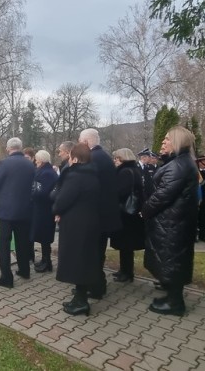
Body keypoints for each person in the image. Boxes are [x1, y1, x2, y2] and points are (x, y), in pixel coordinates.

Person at [143, 126, 199, 316]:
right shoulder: (179, 162)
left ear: (177, 142)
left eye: (167, 139)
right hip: (172, 222)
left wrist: (145, 210)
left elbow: (162, 195)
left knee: (172, 261)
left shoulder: (179, 165)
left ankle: (175, 303)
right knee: (170, 260)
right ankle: (171, 297)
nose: (163, 142)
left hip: (173, 224)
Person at [53, 143, 101, 316]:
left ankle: (81, 302)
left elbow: (63, 200)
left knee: (77, 261)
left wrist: (56, 210)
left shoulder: (76, 176)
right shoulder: (93, 174)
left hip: (76, 225)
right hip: (89, 223)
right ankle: (79, 297)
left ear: (74, 158)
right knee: (84, 260)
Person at [79, 128, 120, 299]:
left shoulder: (92, 158)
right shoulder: (104, 157)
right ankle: (98, 284)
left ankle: (95, 287)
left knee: (93, 253)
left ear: (86, 142)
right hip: (104, 214)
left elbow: (88, 188)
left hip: (95, 216)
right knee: (98, 252)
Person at [0, 138, 36, 288]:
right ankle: (24, 270)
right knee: (22, 242)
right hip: (25, 209)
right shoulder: (30, 164)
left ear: (8, 149)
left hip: (7, 210)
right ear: (20, 148)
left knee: (4, 244)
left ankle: (6, 278)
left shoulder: (5, 163)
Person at [110, 148, 145, 283]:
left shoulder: (125, 172)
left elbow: (120, 192)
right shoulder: (134, 170)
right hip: (132, 213)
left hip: (126, 213)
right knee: (126, 246)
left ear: (122, 158)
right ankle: (124, 270)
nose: (115, 161)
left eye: (116, 158)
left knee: (126, 245)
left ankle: (127, 272)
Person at [32, 150, 60, 273]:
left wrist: (32, 194)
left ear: (41, 160)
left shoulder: (47, 173)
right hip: (42, 208)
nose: (35, 161)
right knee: (43, 236)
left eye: (37, 159)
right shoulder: (45, 171)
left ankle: (47, 262)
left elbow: (43, 192)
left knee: (45, 237)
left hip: (45, 209)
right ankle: (44, 259)